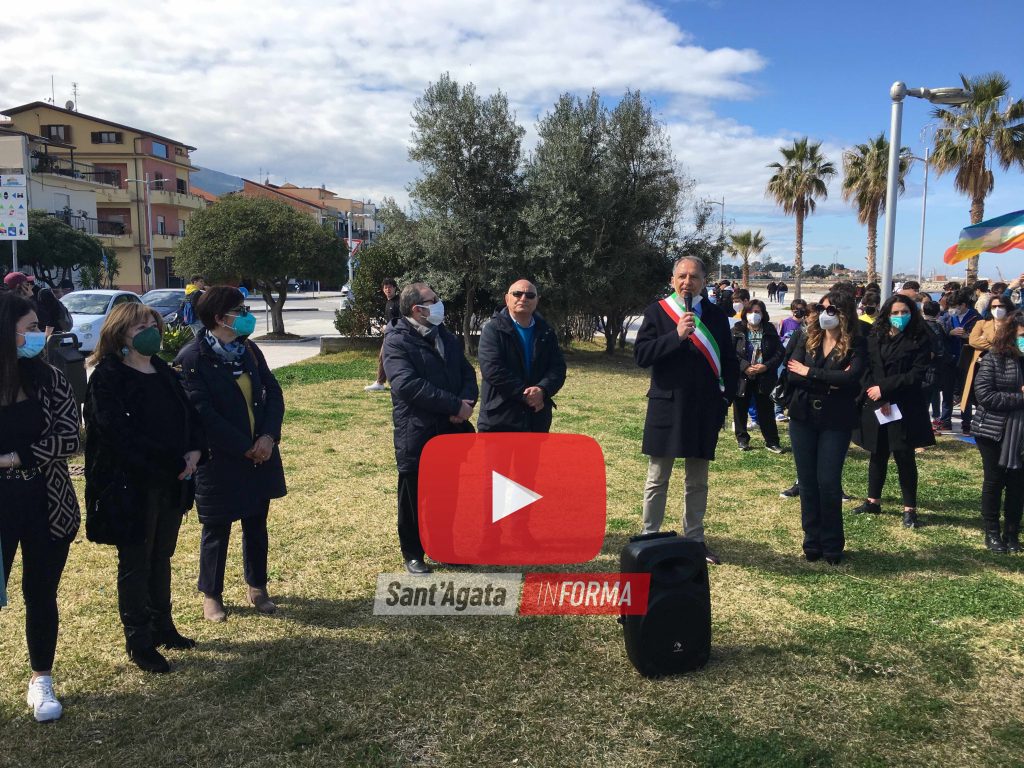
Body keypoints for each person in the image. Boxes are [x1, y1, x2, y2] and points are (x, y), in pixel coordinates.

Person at [84, 303, 205, 673]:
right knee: (136, 560)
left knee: (161, 556)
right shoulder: (107, 376)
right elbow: (115, 433)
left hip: (171, 482)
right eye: (140, 327)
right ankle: (139, 640)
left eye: (153, 324)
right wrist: (170, 460)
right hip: (129, 486)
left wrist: (195, 449)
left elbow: (188, 415)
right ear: (120, 333)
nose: (150, 331)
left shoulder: (162, 370)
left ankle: (163, 626)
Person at [175, 287, 286, 621]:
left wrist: (267, 437)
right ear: (220, 319)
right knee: (216, 528)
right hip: (220, 459)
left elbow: (273, 392)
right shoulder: (192, 359)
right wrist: (244, 447)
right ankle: (212, 593)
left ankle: (257, 586)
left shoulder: (248, 350)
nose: (247, 314)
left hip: (260, 455)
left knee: (256, 523)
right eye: (240, 310)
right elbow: (202, 414)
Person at [0, 292, 81, 722]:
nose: (38, 335)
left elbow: (70, 436)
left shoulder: (49, 377)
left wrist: (16, 458)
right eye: (29, 328)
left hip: (45, 503)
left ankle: (41, 679)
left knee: (40, 594)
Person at [635, 256, 739, 565]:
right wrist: (676, 335)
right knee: (657, 477)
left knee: (697, 480)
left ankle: (694, 538)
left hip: (703, 406)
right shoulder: (658, 312)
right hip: (667, 405)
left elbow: (729, 362)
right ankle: (649, 535)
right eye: (682, 276)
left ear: (704, 281)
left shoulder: (717, 317)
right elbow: (642, 355)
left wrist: (726, 399)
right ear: (672, 280)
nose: (687, 282)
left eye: (694, 277)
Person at [382, 283, 478, 575]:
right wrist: (453, 405)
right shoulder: (396, 341)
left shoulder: (444, 336)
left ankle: (444, 546)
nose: (439, 304)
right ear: (417, 310)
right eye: (433, 300)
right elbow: (407, 385)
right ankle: (413, 552)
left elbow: (466, 372)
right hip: (418, 431)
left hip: (451, 431)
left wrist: (466, 402)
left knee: (447, 493)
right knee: (413, 495)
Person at [785, 292, 866, 564]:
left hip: (836, 419)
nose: (823, 313)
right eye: (820, 307)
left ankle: (832, 543)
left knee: (828, 482)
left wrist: (810, 373)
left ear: (843, 313)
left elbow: (852, 379)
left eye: (830, 309)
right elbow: (790, 374)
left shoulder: (857, 343)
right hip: (802, 417)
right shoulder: (805, 338)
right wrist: (829, 381)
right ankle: (812, 540)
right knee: (807, 482)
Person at [851, 295, 935, 528]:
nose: (899, 317)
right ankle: (872, 500)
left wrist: (885, 390)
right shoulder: (874, 337)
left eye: (904, 312)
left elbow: (915, 375)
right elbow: (866, 368)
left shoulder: (920, 338)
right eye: (895, 312)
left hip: (905, 405)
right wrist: (875, 393)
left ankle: (910, 509)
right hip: (877, 403)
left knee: (904, 456)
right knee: (877, 453)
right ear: (886, 314)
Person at [478, 279, 566, 433]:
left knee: (531, 459)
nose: (523, 298)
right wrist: (526, 396)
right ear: (507, 299)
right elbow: (493, 370)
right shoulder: (492, 330)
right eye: (517, 294)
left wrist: (542, 390)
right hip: (499, 420)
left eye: (530, 295)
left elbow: (557, 368)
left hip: (536, 420)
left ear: (537, 301)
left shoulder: (546, 331)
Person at [971, 310, 1024, 553]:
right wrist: (1019, 397)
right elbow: (985, 395)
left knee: (1017, 483)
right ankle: (992, 530)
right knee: (994, 480)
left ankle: (1012, 531)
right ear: (1012, 333)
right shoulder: (994, 358)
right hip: (993, 428)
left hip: (1021, 433)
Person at [732, 299, 784, 453]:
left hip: (764, 376)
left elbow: (779, 352)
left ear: (763, 314)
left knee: (766, 409)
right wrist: (745, 366)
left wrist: (766, 366)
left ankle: (772, 441)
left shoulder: (770, 329)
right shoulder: (737, 330)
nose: (753, 315)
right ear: (745, 313)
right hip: (743, 376)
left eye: (757, 312)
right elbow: (730, 352)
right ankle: (742, 439)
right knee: (740, 408)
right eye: (750, 312)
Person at [938, 288, 980, 433]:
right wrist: (949, 333)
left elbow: (981, 339)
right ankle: (945, 421)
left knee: (966, 392)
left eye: (955, 306)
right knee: (947, 392)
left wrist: (967, 336)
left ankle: (967, 422)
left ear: (963, 305)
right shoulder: (946, 318)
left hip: (967, 360)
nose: (952, 309)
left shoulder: (976, 318)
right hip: (949, 360)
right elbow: (939, 336)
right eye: (950, 306)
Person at [365, 278, 401, 392]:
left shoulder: (398, 302)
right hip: (390, 335)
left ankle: (385, 382)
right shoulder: (389, 302)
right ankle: (381, 382)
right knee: (383, 357)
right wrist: (385, 327)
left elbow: (401, 320)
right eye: (385, 287)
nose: (388, 289)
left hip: (397, 335)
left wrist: (389, 327)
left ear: (395, 288)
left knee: (390, 358)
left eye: (390, 287)